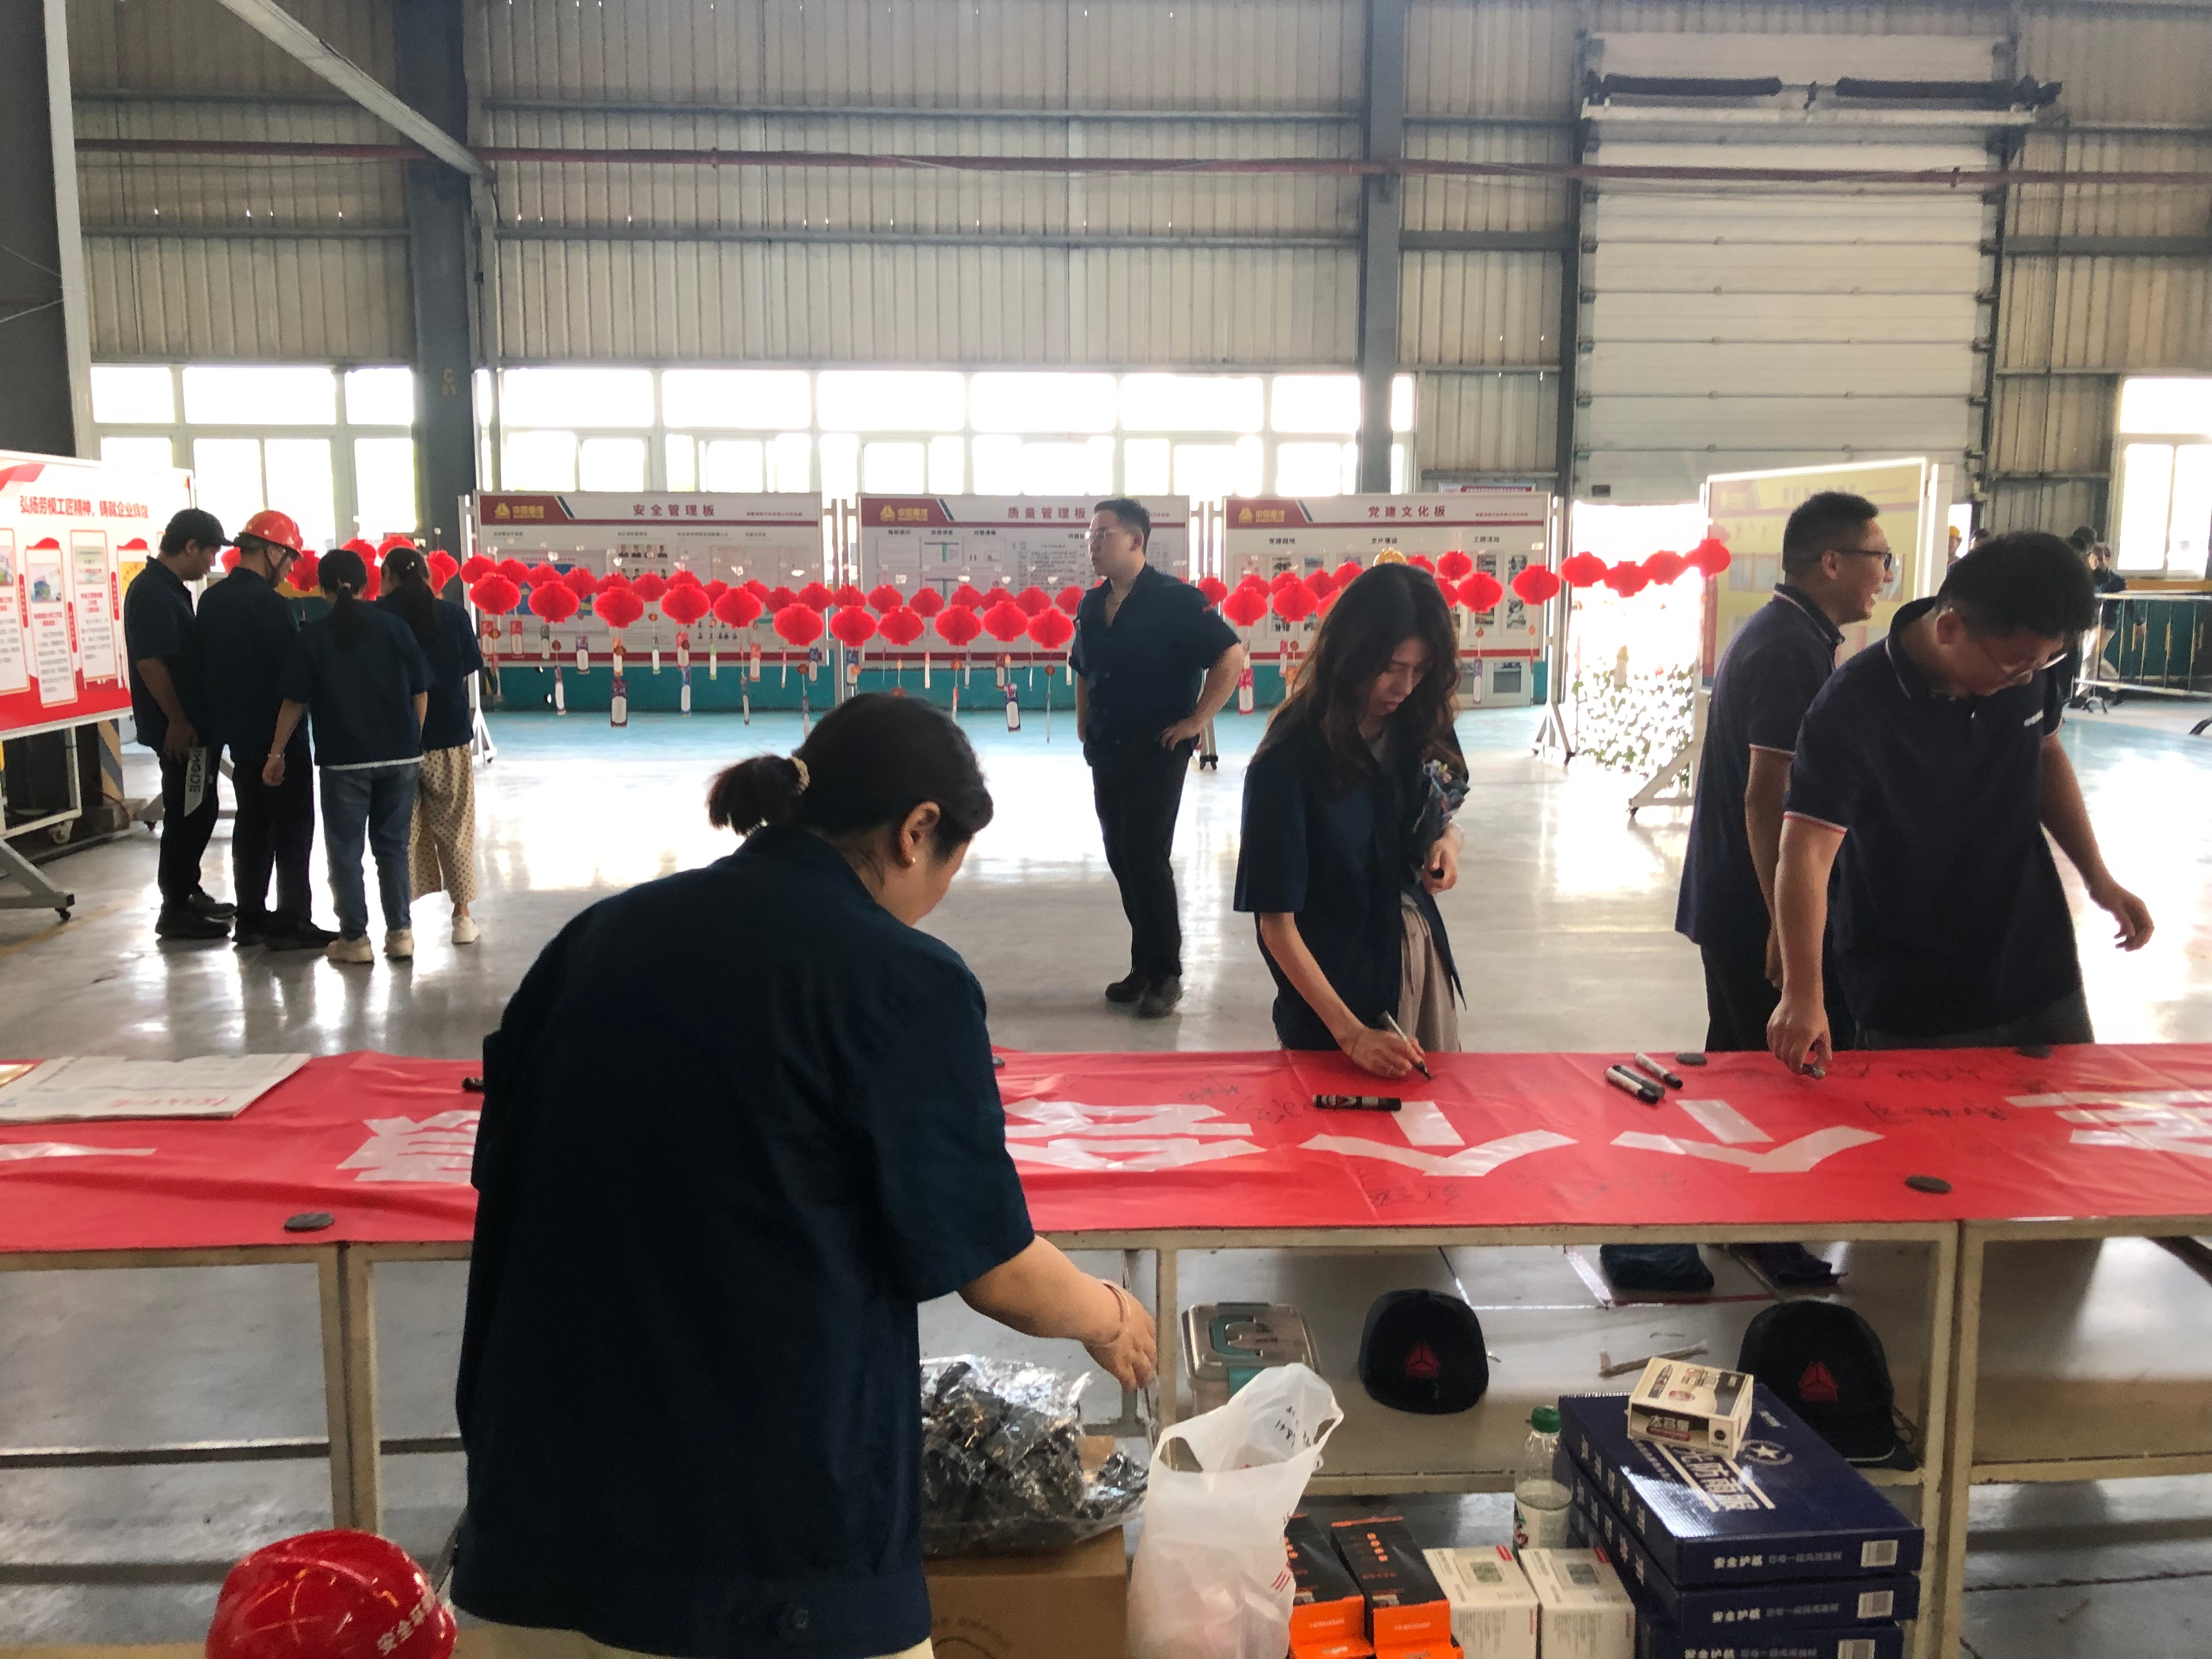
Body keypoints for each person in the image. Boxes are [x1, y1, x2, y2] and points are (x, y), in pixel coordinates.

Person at [452, 695, 1157, 1659]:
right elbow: (995, 1268)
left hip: (536, 1515)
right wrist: (1111, 1314)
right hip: (760, 1553)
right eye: (948, 866)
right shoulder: (898, 976)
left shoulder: (598, 936)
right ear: (917, 829)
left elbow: (511, 1175)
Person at [1769, 532, 2154, 1068]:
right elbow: (1807, 851)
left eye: (2042, 664)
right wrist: (1803, 992)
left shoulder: (2023, 667)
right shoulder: (1852, 708)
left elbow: (2045, 755)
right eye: (2016, 665)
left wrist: (2098, 878)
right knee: (1925, 1121)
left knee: (2060, 1117)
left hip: (2036, 965)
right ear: (1949, 629)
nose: (2026, 678)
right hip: (1914, 987)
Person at [1234, 563, 1466, 1079]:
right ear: (1350, 653)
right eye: (1390, 667)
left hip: (1416, 966)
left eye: (1420, 670)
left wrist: (1447, 845)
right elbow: (1276, 925)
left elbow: (1440, 819)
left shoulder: (1419, 728)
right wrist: (1351, 1034)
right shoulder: (1288, 760)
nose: (1404, 686)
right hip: (1333, 999)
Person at [1677, 492, 1886, 1053]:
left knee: (1742, 1069)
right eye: (1880, 559)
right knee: (1776, 1073)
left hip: (1739, 893)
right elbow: (1767, 797)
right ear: (1832, 563)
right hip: (1754, 903)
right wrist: (1785, 929)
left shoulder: (1787, 632)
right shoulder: (1789, 650)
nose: (1886, 576)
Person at [1071, 498, 1246, 1019]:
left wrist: (1197, 721)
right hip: (1107, 745)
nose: (1093, 544)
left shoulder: (1176, 601)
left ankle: (1167, 973)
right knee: (1121, 855)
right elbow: (1082, 668)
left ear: (1136, 540)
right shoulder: (1091, 605)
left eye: (1103, 534)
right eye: (1090, 535)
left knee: (1146, 856)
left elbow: (1230, 655)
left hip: (1157, 747)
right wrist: (1083, 721)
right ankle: (1143, 965)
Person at [261, 547, 431, 967]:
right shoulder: (395, 628)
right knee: (393, 848)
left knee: (346, 852)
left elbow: (293, 701)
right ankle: (401, 934)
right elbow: (421, 691)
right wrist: (412, 740)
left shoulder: (315, 636)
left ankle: (355, 939)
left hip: (344, 760)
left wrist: (276, 753)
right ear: (366, 585)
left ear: (322, 589)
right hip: (400, 757)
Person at [196, 510, 336, 951]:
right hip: (280, 735)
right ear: (272, 551)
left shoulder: (211, 601)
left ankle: (251, 919)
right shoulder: (272, 606)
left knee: (252, 825)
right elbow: (293, 675)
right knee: (293, 827)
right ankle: (292, 919)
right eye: (289, 558)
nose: (291, 569)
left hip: (239, 736)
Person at [124, 508, 234, 941]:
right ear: (190, 547)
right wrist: (177, 720)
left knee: (199, 808)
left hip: (190, 725)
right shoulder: (153, 592)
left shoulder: (169, 589)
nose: (211, 563)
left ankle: (188, 890)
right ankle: (175, 907)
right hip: (179, 730)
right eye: (209, 553)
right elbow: (150, 663)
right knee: (188, 812)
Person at [377, 545, 485, 944]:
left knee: (399, 835)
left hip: (394, 740)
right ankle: (462, 918)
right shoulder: (453, 615)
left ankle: (401, 926)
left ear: (387, 576)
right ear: (427, 575)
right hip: (448, 736)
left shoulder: (379, 618)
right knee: (455, 826)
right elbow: (468, 665)